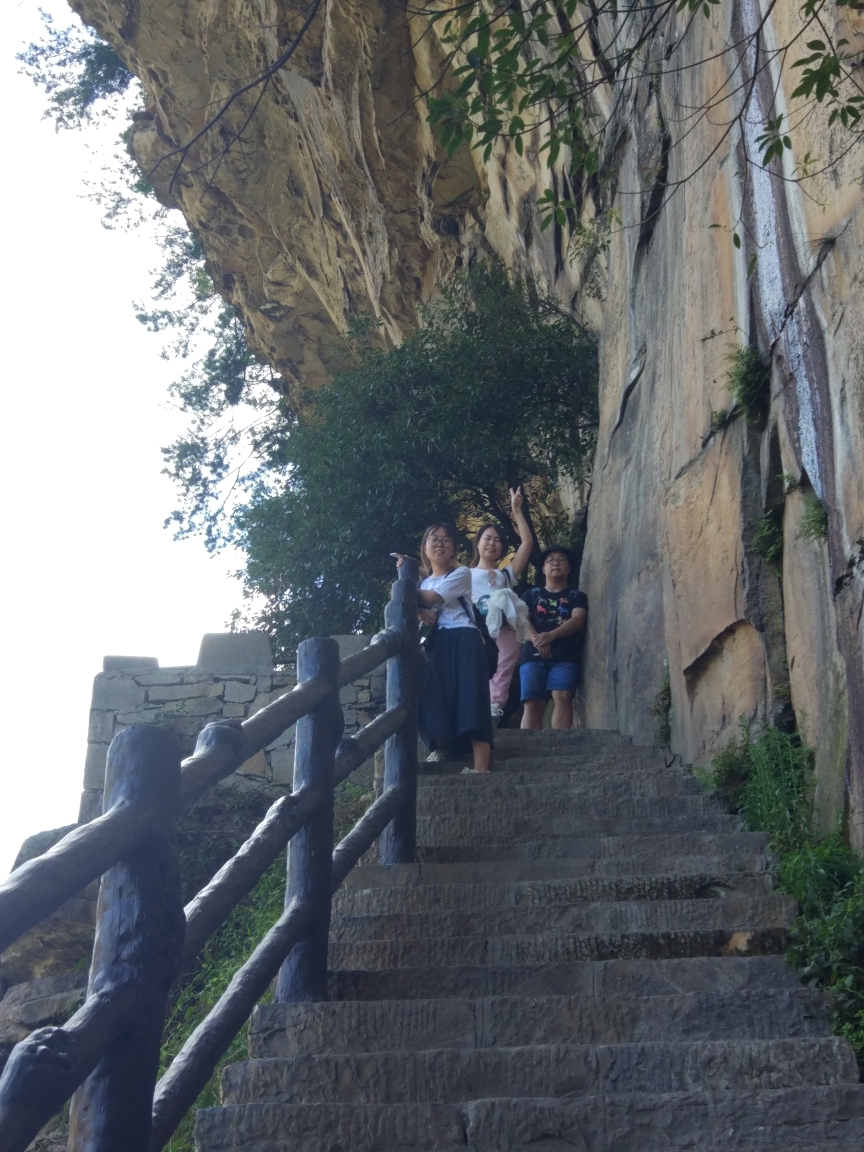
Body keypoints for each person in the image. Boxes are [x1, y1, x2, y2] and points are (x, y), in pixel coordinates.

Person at [398, 523, 494, 773]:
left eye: (446, 540)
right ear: (425, 548)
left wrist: (405, 589)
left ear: (454, 549)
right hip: (436, 641)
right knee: (430, 695)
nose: (439, 544)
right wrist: (419, 611)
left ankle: (481, 768)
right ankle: (443, 748)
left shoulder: (461, 573)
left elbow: (431, 598)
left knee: (472, 696)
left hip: (464, 637)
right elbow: (416, 603)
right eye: (434, 539)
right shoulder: (423, 583)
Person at [470, 487, 534, 722]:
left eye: (497, 540)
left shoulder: (506, 574)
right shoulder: (465, 574)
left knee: (503, 668)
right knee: (478, 667)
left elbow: (527, 543)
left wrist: (517, 511)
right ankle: (475, 707)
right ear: (478, 543)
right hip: (479, 626)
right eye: (487, 538)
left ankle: (494, 708)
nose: (492, 543)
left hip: (506, 626)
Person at [520, 545, 588, 730]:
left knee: (563, 695)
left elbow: (578, 619)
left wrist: (551, 636)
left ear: (569, 568)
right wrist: (537, 640)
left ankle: (561, 741)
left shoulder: (577, 596)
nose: (556, 563)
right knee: (532, 702)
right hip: (532, 655)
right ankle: (529, 744)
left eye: (561, 560)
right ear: (543, 568)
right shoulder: (531, 595)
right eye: (550, 560)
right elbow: (521, 620)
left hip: (565, 655)